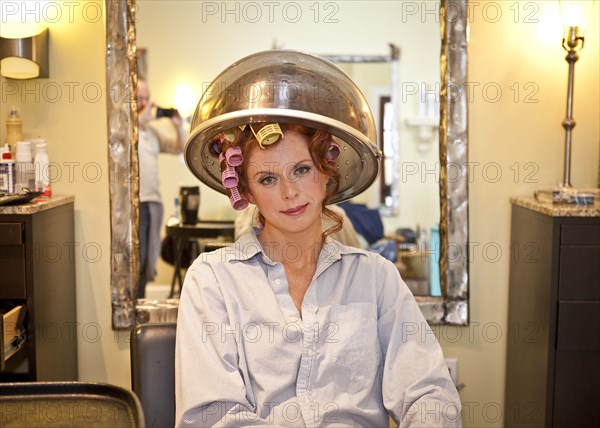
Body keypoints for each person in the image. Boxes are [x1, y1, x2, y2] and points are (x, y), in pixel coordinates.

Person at [175, 123, 461, 426]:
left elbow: (430, 395)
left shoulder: (376, 277)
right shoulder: (212, 280)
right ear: (247, 192)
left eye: (301, 170)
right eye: (268, 179)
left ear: (326, 171)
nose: (290, 192)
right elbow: (211, 417)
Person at [137, 79, 186, 298]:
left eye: (146, 98)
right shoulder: (123, 129)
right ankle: (134, 303)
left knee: (148, 260)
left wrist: (178, 125)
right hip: (137, 204)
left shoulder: (151, 132)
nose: (144, 102)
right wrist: (140, 119)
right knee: (136, 260)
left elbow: (180, 148)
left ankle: (140, 299)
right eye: (138, 98)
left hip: (153, 202)